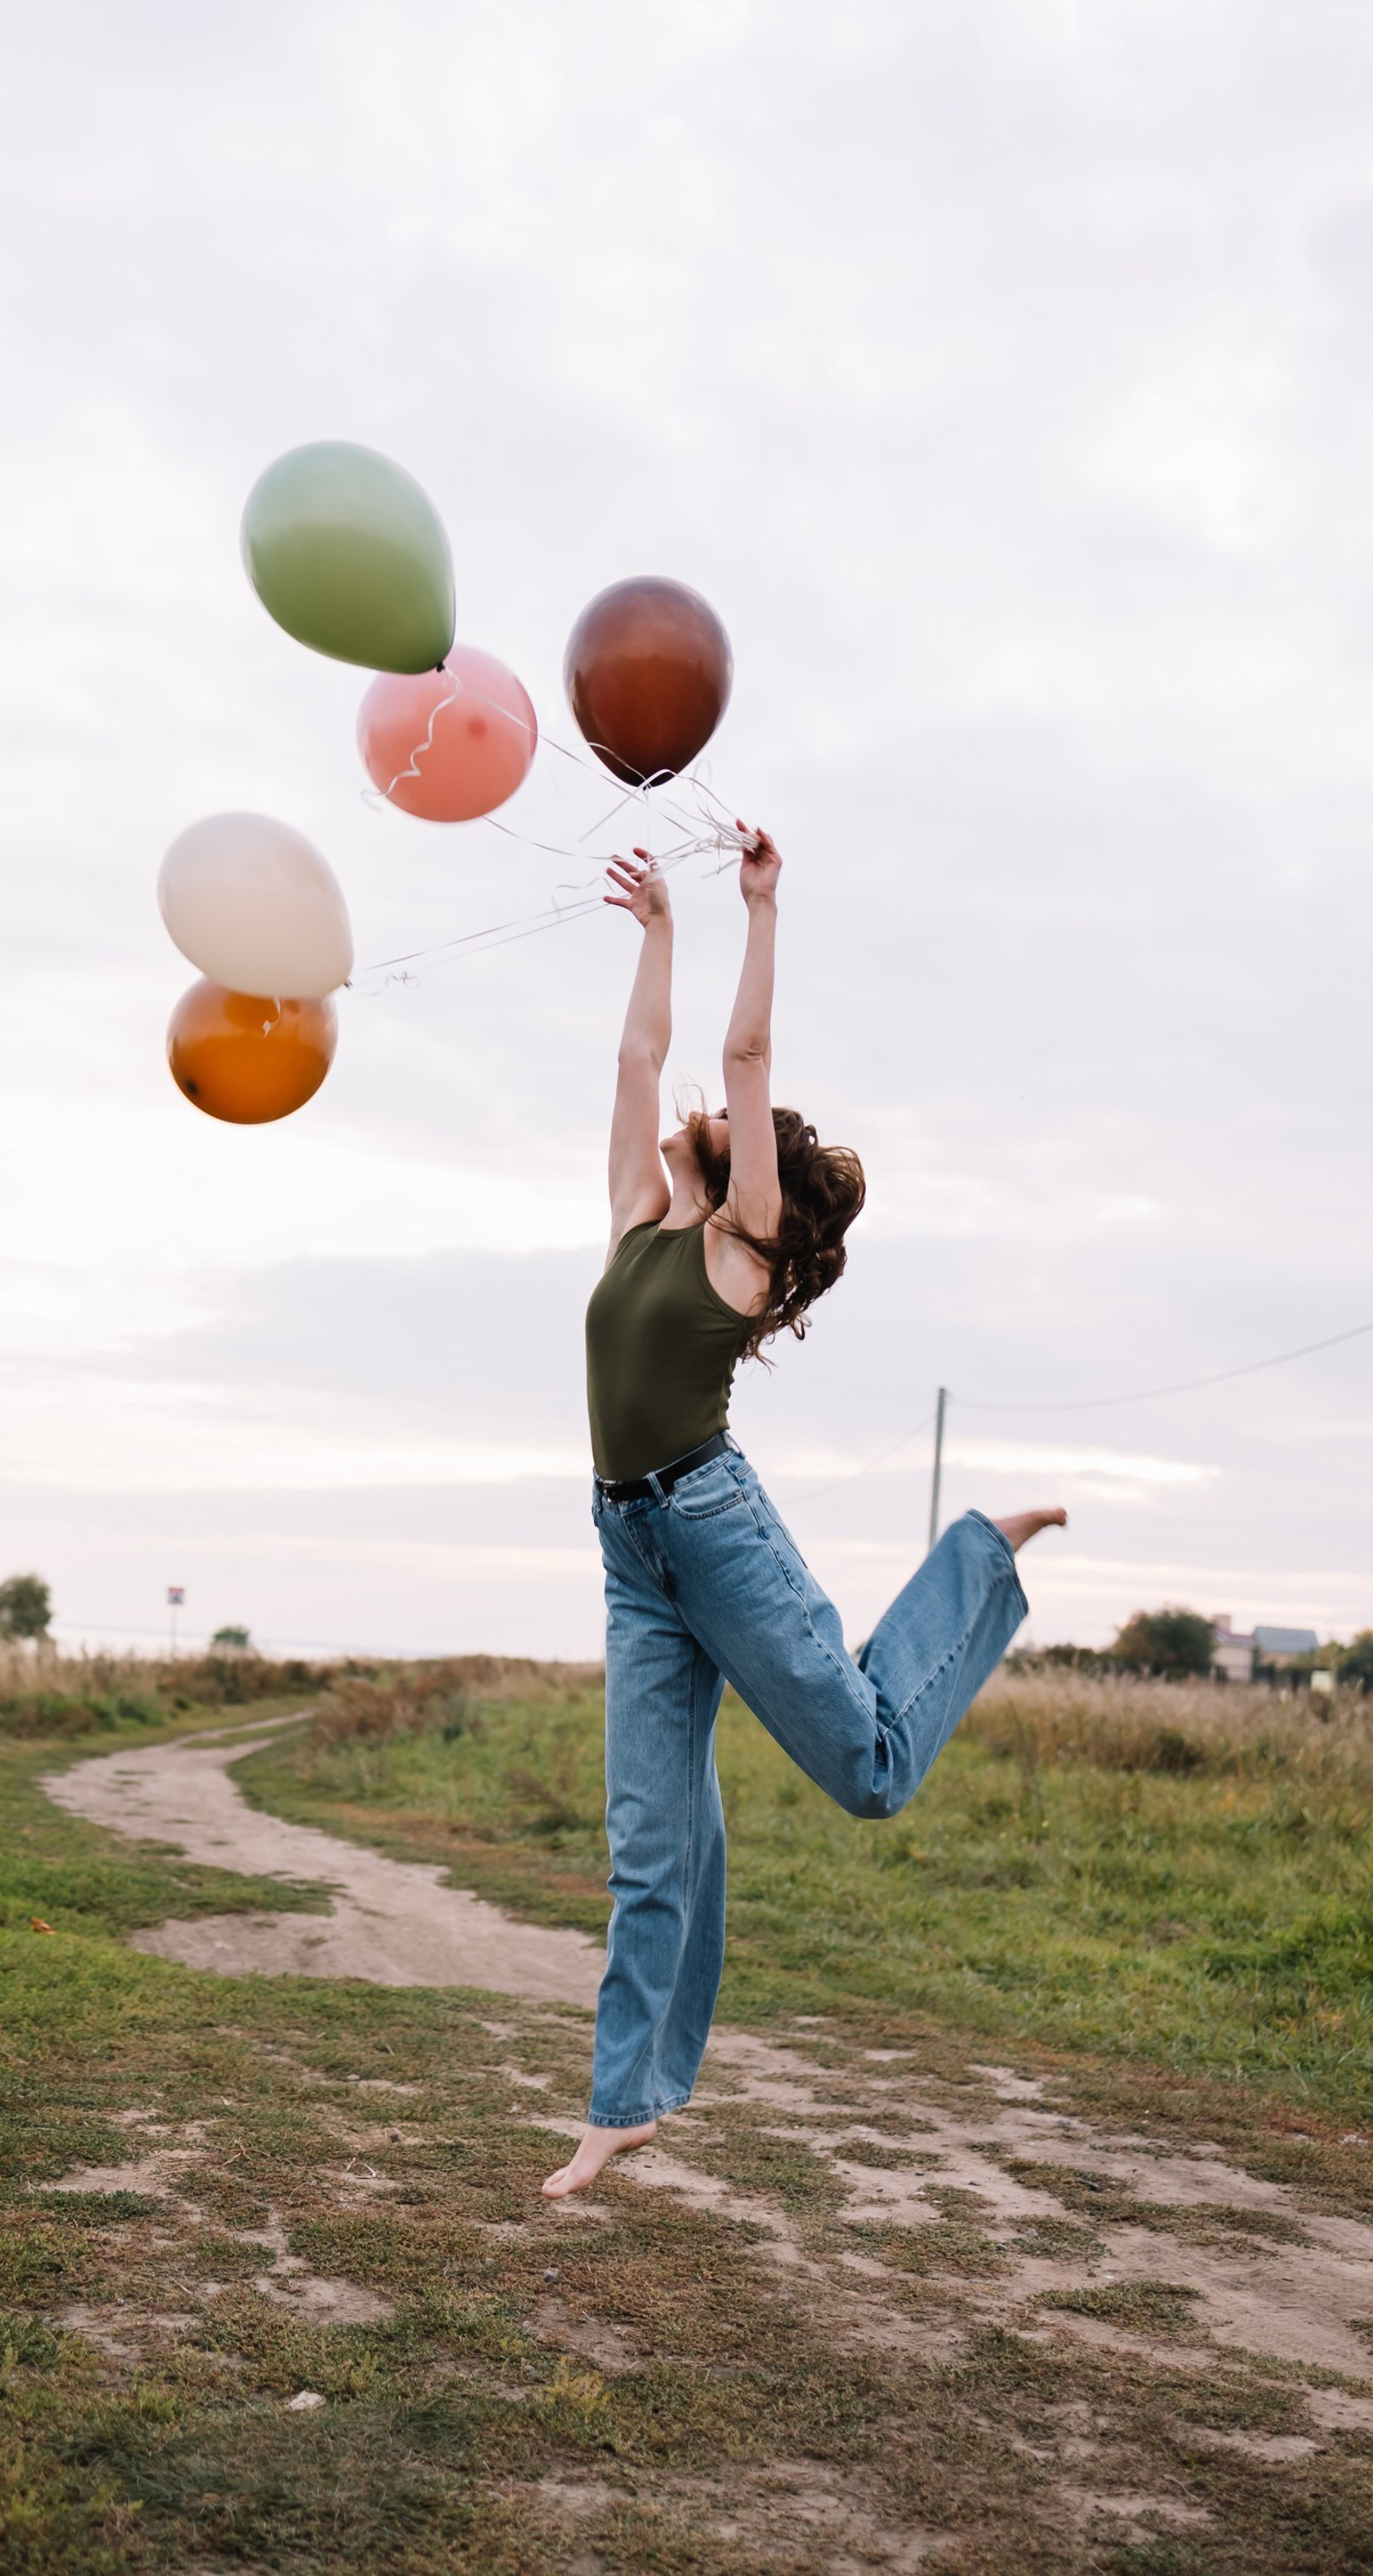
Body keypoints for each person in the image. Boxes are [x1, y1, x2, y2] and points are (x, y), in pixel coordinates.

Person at [542, 826, 1065, 2201]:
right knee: (652, 1844)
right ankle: (625, 2104)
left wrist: (760, 911)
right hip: (633, 1554)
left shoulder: (736, 1249)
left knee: (870, 1773)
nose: (701, 1107)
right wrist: (656, 932)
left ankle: (979, 1558)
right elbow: (636, 1062)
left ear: (749, 1165)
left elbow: (746, 1064)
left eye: (725, 1119)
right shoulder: (641, 1225)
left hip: (715, 1530)